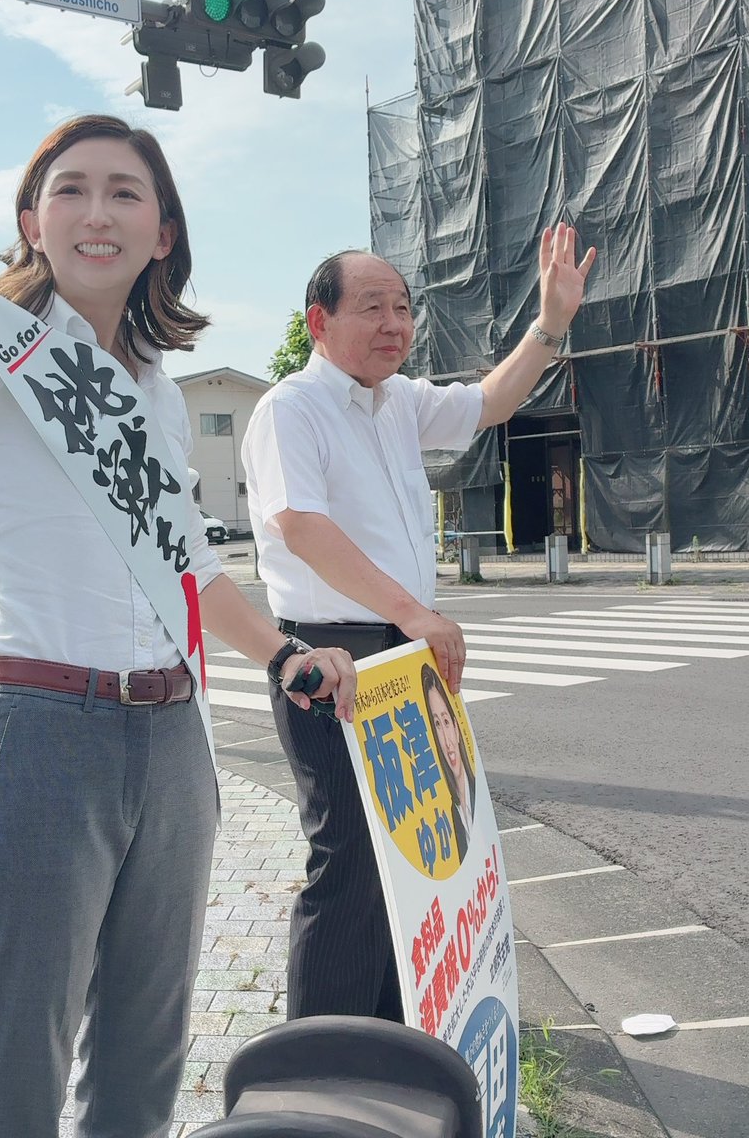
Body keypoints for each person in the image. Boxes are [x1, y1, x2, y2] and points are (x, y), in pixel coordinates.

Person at [0, 0, 356, 1136]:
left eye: (125, 193)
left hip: (176, 741)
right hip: (42, 734)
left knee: (144, 1069)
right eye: (71, 189)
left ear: (163, 232)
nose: (97, 210)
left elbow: (188, 564)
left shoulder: (157, 390)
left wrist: (282, 653)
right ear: (32, 221)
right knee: (19, 1071)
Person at [242, 234, 595, 1023]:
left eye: (402, 308)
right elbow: (300, 526)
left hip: (403, 655)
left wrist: (549, 323)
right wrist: (410, 610)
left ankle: (391, 1036)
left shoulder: (399, 401)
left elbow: (492, 402)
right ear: (319, 321)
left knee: (405, 856)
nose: (394, 324)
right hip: (328, 655)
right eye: (372, 307)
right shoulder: (290, 408)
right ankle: (320, 1055)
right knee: (347, 857)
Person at [421, 661, 476, 862]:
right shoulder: (447, 814)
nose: (446, 740)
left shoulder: (477, 796)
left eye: (445, 721)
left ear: (456, 726)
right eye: (436, 724)